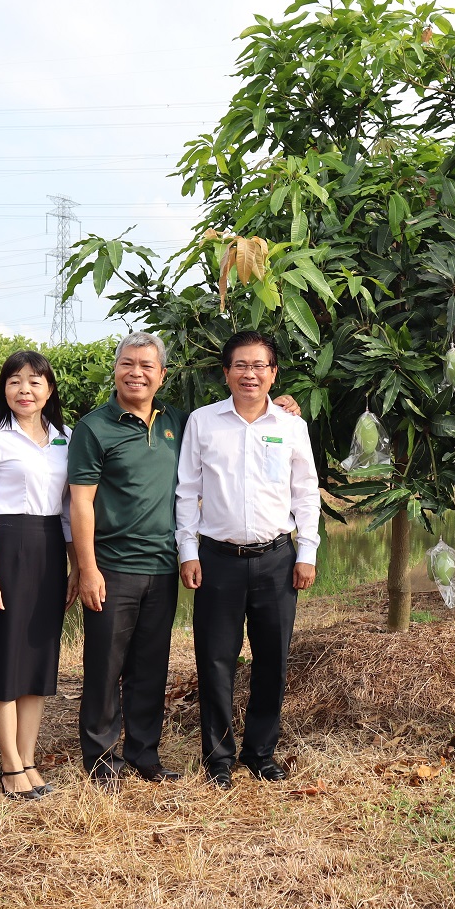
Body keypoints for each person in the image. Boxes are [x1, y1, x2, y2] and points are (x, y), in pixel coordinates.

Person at [175, 331, 321, 790]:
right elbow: (187, 492)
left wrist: (308, 551)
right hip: (217, 560)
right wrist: (188, 550)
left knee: (271, 659)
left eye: (260, 366)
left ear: (273, 373)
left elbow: (305, 493)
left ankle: (261, 752)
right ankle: (218, 758)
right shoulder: (202, 422)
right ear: (226, 373)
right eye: (241, 365)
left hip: (278, 558)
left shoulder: (291, 425)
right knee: (215, 660)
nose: (250, 374)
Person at [69, 332, 188, 789]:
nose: (136, 372)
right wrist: (88, 568)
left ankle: (144, 753)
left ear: (161, 374)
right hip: (112, 567)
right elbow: (81, 503)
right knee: (104, 666)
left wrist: (284, 405)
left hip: (162, 566)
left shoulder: (178, 421)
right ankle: (100, 759)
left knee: (151, 666)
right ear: (115, 369)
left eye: (146, 365)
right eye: (127, 363)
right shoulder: (94, 427)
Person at [0, 350, 77, 800]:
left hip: (51, 547)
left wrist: (75, 565)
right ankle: (9, 763)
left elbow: (71, 508)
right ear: (3, 389)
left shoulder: (66, 437)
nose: (25, 390)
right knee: (5, 655)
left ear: (49, 388)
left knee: (37, 659)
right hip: (6, 548)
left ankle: (28, 759)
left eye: (34, 381)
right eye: (15, 382)